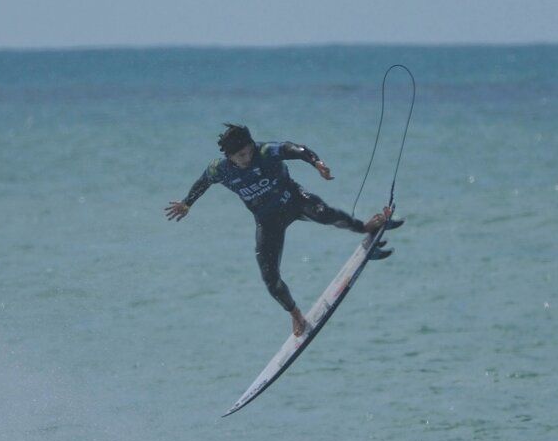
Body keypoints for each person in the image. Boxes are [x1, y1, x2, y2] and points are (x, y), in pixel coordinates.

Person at [165, 123, 402, 337]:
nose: (247, 157)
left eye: (248, 151)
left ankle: (365, 227)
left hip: (294, 200)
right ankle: (296, 314)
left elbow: (294, 149)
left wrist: (316, 162)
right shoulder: (220, 169)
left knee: (325, 213)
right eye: (240, 156)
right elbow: (203, 181)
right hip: (267, 221)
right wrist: (187, 203)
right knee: (270, 277)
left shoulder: (265, 152)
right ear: (229, 156)